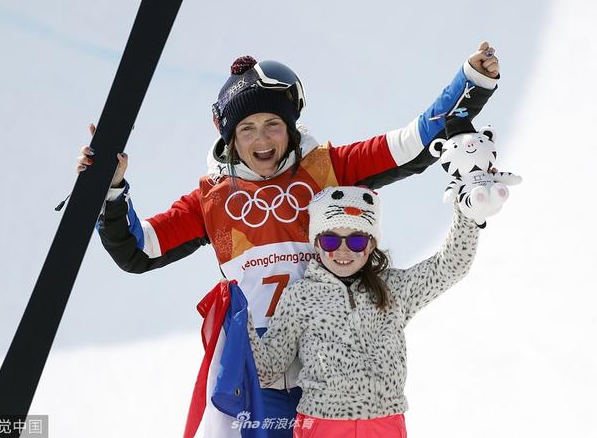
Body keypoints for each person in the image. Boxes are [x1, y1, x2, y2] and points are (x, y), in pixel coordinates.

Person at [76, 42, 499, 437]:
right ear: (229, 137)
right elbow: (138, 249)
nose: (262, 140)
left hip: (333, 371)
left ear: (291, 125)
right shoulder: (212, 200)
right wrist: (111, 191)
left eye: (273, 124)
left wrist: (470, 84)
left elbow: (411, 144)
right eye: (247, 129)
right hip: (264, 376)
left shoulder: (327, 169)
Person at [247, 185, 480, 437]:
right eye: (330, 239)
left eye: (356, 240)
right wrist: (242, 321)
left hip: (384, 423)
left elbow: (449, 267)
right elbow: (268, 369)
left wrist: (467, 215)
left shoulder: (392, 288)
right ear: (316, 244)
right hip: (323, 423)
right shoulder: (300, 296)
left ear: (370, 245)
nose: (343, 250)